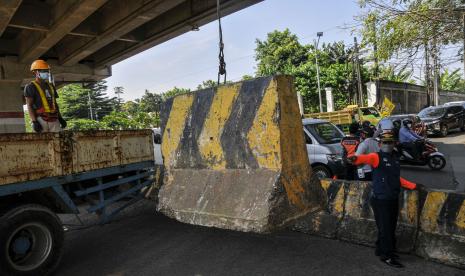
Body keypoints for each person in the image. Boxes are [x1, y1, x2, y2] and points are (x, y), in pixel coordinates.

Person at [349, 132, 421, 268]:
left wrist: (413, 186)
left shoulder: (395, 158)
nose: (387, 145)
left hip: (392, 197)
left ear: (394, 143)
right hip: (381, 199)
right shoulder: (376, 157)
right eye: (384, 143)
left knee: (387, 227)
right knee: (387, 228)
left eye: (390, 142)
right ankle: (387, 256)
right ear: (379, 144)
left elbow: (395, 179)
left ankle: (380, 249)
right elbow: (362, 159)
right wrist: (353, 158)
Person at [24, 60, 66, 133]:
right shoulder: (30, 87)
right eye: (43, 71)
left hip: (54, 120)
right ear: (35, 72)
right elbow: (29, 105)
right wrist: (34, 122)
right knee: (42, 143)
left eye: (46, 71)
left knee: (59, 142)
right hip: (41, 120)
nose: (46, 73)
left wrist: (60, 117)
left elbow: (55, 104)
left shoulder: (51, 86)